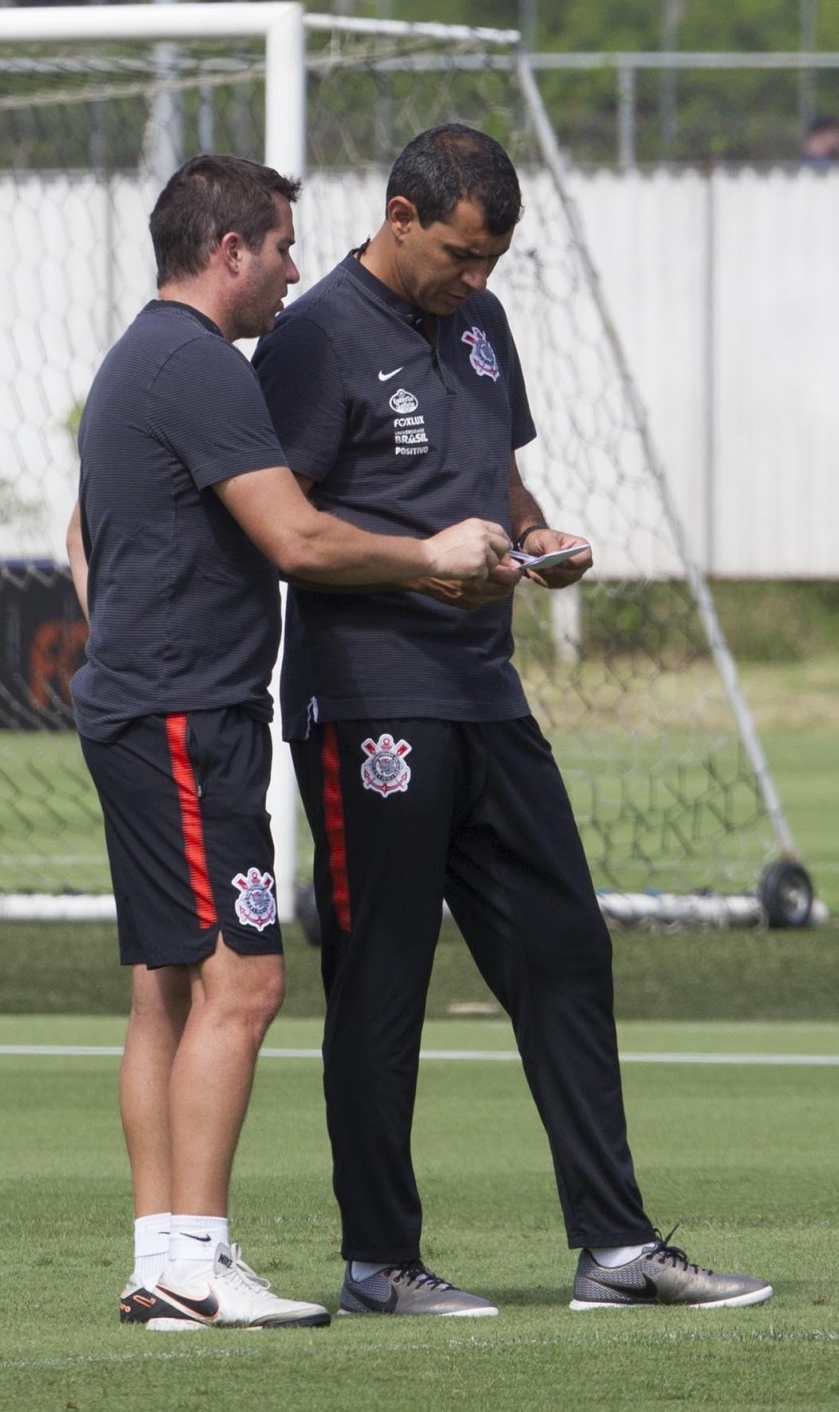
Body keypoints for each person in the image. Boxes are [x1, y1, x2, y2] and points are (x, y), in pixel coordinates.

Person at [253, 124, 774, 1315]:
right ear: (396, 217)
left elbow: (498, 477)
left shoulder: (481, 325)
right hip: (368, 700)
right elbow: (278, 532)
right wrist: (415, 564)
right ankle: (380, 1260)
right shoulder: (311, 338)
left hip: (486, 690)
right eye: (456, 253)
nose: (472, 278)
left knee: (564, 950)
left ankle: (615, 1246)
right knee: (381, 977)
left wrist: (536, 537)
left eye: (489, 258)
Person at [66, 152, 510, 1332]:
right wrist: (433, 556)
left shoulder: (138, 360)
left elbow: (78, 536)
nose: (292, 269)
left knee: (166, 987)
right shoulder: (201, 365)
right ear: (228, 253)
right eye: (278, 246)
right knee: (245, 979)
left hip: (145, 704)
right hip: (182, 718)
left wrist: (124, 643)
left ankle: (163, 1254)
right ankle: (197, 1261)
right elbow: (301, 541)